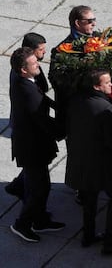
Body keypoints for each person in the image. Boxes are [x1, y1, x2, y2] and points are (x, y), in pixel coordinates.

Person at [65, 69, 112, 255]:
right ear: (96, 86)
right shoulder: (105, 107)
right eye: (107, 82)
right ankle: (110, 243)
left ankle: (88, 235)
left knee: (89, 198)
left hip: (80, 157)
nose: (111, 85)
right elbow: (111, 141)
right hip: (102, 161)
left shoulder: (76, 100)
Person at [9, 47, 64, 243]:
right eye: (34, 64)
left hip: (32, 145)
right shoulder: (27, 90)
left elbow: (41, 97)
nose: (38, 64)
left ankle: (39, 220)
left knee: (41, 185)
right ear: (24, 70)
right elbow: (42, 119)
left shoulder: (24, 81)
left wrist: (57, 107)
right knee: (38, 188)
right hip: (32, 148)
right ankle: (22, 224)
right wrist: (63, 130)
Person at [5, 32, 50, 200]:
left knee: (33, 169)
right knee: (35, 173)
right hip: (27, 129)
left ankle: (17, 186)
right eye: (41, 50)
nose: (44, 53)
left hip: (25, 124)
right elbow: (43, 88)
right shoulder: (25, 77)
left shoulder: (22, 69)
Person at [49, 5, 98, 136]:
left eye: (94, 20)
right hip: (76, 108)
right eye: (89, 21)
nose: (93, 24)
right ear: (77, 23)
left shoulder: (98, 39)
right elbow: (54, 79)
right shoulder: (62, 50)